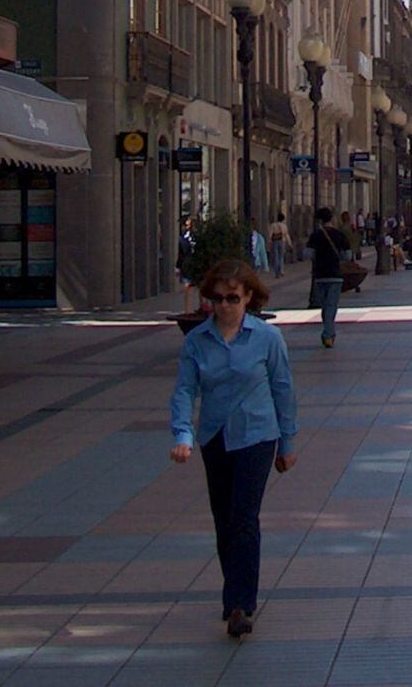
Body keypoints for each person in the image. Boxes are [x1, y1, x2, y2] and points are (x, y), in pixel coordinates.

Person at [168, 260, 297, 638]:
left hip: (257, 436)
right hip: (215, 437)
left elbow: (283, 389)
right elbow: (184, 391)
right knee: (224, 519)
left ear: (249, 298)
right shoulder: (197, 341)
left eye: (233, 298)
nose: (225, 306)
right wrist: (182, 435)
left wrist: (287, 443)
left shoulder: (266, 339)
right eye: (219, 299)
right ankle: (233, 594)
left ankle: (242, 603)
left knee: (244, 517)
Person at [306, 207, 347, 348]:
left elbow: (308, 254)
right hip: (336, 275)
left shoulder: (315, 235)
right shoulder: (339, 235)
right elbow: (346, 256)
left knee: (325, 306)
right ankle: (328, 335)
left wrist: (319, 257)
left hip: (320, 275)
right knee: (331, 306)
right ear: (331, 219)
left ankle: (328, 332)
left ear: (319, 221)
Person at [176, 216, 197, 312]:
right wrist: (177, 267)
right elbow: (181, 254)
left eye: (188, 223)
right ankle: (187, 310)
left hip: (196, 263)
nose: (187, 226)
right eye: (185, 224)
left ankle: (202, 306)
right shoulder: (182, 238)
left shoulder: (196, 236)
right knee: (187, 288)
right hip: (187, 265)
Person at [267, 214, 291, 279]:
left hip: (275, 242)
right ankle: (281, 271)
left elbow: (270, 235)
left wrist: (269, 242)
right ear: (283, 219)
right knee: (281, 257)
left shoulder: (273, 225)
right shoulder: (284, 226)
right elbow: (287, 235)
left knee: (276, 257)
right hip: (282, 241)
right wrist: (289, 243)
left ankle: (277, 272)